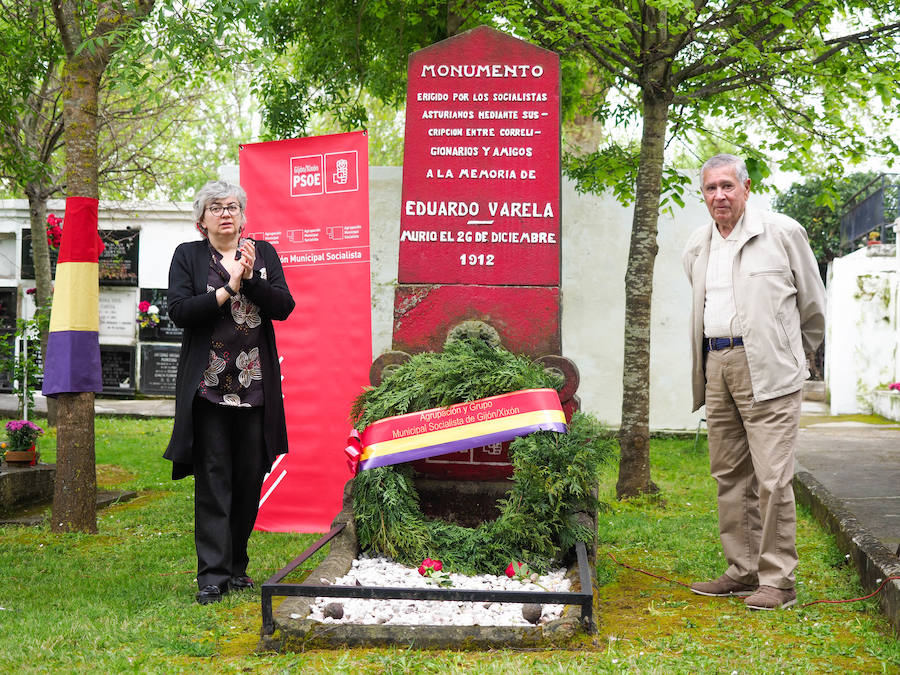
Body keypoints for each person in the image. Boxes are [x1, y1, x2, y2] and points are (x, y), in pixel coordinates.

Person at [682, 154, 825, 611]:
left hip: (768, 366)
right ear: (702, 194)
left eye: (727, 186)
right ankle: (742, 571)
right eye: (710, 189)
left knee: (773, 477)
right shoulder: (698, 245)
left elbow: (813, 308)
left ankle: (778, 580)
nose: (719, 196)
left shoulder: (782, 232)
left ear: (746, 187)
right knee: (729, 474)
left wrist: (790, 356)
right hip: (716, 362)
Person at [164, 179, 295, 605]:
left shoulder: (263, 253)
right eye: (216, 207)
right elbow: (181, 311)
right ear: (202, 220)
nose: (226, 213)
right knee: (214, 480)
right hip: (208, 390)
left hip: (255, 387)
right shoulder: (188, 256)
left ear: (243, 216)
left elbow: (283, 306)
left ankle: (237, 566)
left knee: (248, 478)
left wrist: (250, 278)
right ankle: (213, 576)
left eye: (233, 206)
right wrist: (227, 288)